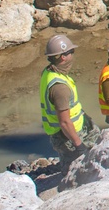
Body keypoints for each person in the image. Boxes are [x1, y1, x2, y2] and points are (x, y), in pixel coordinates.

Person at [40, 34, 100, 171]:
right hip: (68, 137)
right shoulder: (59, 87)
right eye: (71, 52)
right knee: (75, 169)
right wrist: (79, 146)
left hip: (66, 133)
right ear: (63, 56)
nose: (73, 55)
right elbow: (65, 122)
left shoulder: (48, 73)